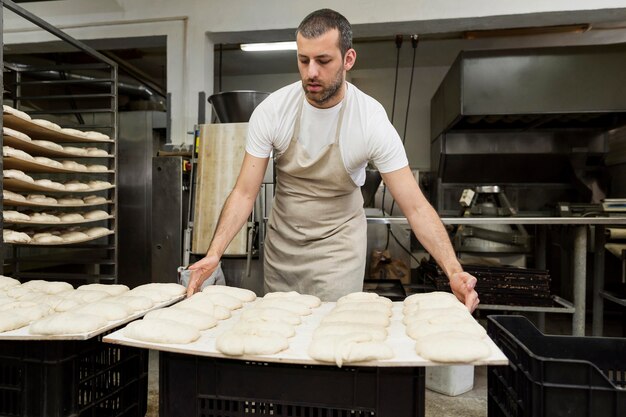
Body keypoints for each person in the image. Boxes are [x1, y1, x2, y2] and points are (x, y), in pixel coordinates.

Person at [187, 8, 479, 310]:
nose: (311, 72)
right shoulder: (273, 111)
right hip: (283, 248)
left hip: (337, 251)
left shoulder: (370, 120)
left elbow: (415, 207)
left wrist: (453, 271)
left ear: (348, 59)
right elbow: (245, 192)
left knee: (329, 340)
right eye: (303, 60)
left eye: (323, 61)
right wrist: (214, 252)